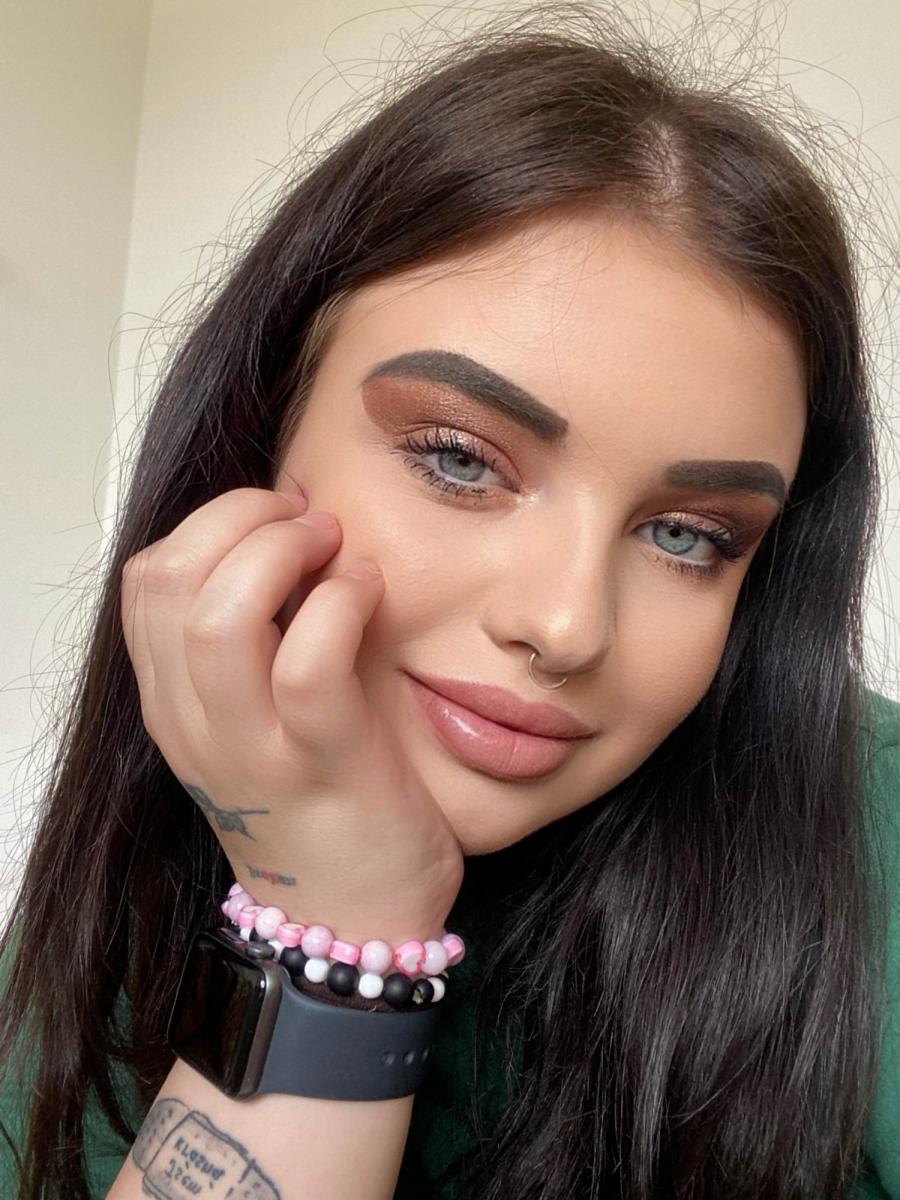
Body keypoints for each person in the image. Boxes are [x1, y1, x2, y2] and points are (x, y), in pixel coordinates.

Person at [1, 7, 899, 1199]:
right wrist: (338, 918)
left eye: (688, 535)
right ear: (261, 430)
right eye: (460, 460)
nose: (568, 626)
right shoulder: (131, 875)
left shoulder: (873, 833)